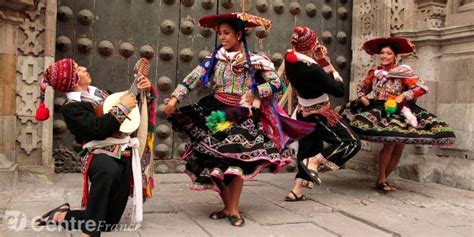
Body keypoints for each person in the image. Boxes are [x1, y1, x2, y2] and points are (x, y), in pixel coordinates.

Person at [163, 13, 313, 227]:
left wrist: (255, 92)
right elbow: (193, 77)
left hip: (240, 113)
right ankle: (227, 207)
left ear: (239, 34)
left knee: (236, 160)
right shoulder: (216, 58)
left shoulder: (255, 60)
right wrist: (175, 97)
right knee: (214, 160)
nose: (222, 38)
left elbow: (277, 84)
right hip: (216, 111)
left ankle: (234, 209)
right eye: (220, 34)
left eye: (227, 33)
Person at [34, 58, 156, 236]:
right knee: (108, 170)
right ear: (73, 79)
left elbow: (131, 107)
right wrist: (123, 106)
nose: (84, 68)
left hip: (124, 153)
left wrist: (144, 91)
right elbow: (96, 128)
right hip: (99, 155)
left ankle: (61, 216)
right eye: (78, 68)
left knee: (109, 223)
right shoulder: (71, 109)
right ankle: (89, 232)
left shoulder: (103, 93)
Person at [337, 37, 456, 192]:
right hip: (380, 109)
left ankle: (384, 179)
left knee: (398, 147)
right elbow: (362, 87)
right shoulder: (375, 73)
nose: (385, 56)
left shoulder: (404, 72)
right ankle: (381, 178)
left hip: (399, 109)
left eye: (389, 53)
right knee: (389, 145)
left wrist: (403, 96)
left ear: (395, 56)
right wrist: (363, 98)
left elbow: (422, 87)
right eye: (382, 53)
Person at [283, 26, 361, 201]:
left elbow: (312, 70)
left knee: (308, 148)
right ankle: (316, 162)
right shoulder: (312, 69)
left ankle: (296, 190)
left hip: (304, 112)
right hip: (320, 114)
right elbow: (339, 89)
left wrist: (317, 57)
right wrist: (326, 62)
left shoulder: (290, 59)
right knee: (352, 143)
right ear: (311, 46)